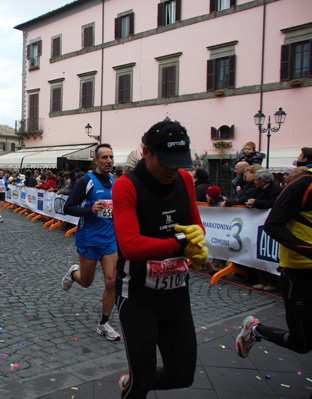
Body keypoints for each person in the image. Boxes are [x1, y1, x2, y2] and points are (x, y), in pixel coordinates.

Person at [112, 120, 209, 398]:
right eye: (166, 161)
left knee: (182, 375)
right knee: (141, 382)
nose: (172, 170)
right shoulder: (126, 186)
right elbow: (131, 246)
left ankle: (131, 383)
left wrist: (197, 241)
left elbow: (197, 226)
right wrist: (181, 243)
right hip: (138, 296)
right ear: (147, 152)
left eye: (178, 162)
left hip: (176, 293)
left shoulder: (185, 180)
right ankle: (134, 386)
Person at [236, 165, 312, 358]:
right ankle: (254, 329)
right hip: (300, 272)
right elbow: (273, 225)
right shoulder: (302, 185)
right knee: (301, 343)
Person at [61, 143, 121, 342]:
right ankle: (73, 272)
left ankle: (104, 323)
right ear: (96, 160)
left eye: (111, 157)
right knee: (86, 282)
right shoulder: (87, 181)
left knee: (112, 281)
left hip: (109, 240)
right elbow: (68, 207)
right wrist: (91, 209)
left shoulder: (116, 182)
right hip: (88, 239)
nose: (109, 161)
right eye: (104, 157)